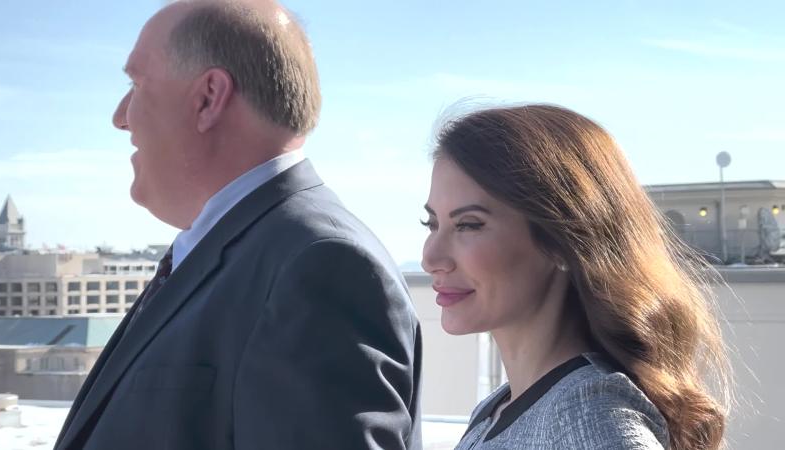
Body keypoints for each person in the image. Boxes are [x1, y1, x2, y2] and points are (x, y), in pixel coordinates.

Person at [54, 1, 421, 449]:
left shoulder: (320, 266)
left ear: (208, 98)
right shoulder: (254, 253)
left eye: (136, 84)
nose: (120, 116)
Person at [421, 104, 730, 449]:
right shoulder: (496, 409)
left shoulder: (590, 417)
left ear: (562, 241)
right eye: (432, 224)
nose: (430, 258)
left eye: (468, 225)